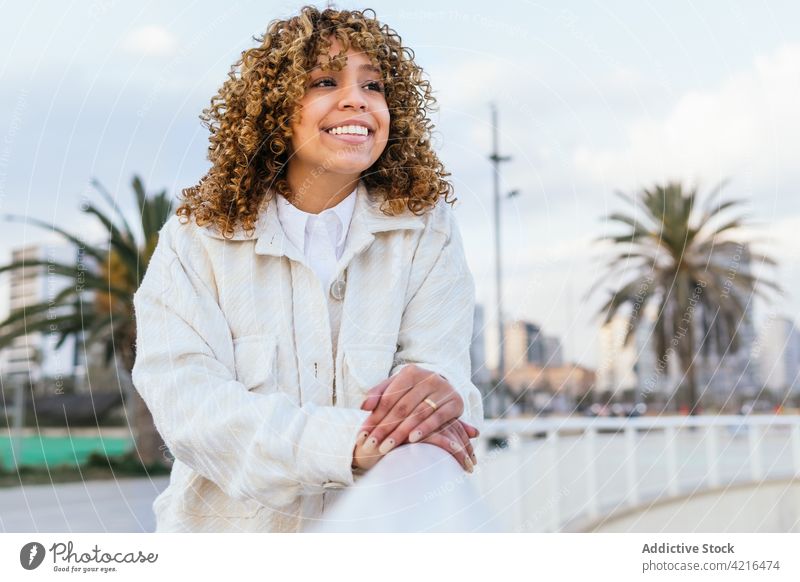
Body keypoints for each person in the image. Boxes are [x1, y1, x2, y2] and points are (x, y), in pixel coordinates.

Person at [131, 4, 484, 533]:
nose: (357, 100)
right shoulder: (195, 239)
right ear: (274, 109)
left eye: (374, 86)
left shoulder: (425, 230)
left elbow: (444, 375)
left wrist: (437, 395)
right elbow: (190, 407)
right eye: (325, 80)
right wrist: (348, 445)